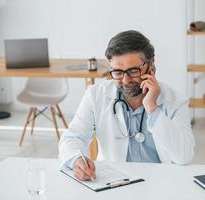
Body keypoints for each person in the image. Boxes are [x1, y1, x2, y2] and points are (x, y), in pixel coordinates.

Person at [59, 30, 195, 181]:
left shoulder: (176, 100)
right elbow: (72, 137)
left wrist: (152, 107)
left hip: (161, 182)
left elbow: (184, 156)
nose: (125, 80)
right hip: (113, 182)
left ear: (151, 64)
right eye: (117, 72)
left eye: (132, 71)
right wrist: (76, 160)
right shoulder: (95, 95)